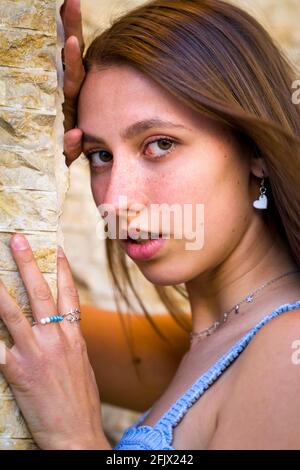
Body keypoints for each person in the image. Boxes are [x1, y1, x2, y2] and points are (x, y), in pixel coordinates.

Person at [0, 0, 300, 450]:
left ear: (254, 151)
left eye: (160, 144)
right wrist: (31, 146)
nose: (117, 200)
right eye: (101, 155)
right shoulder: (198, 343)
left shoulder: (286, 355)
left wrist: (76, 439)